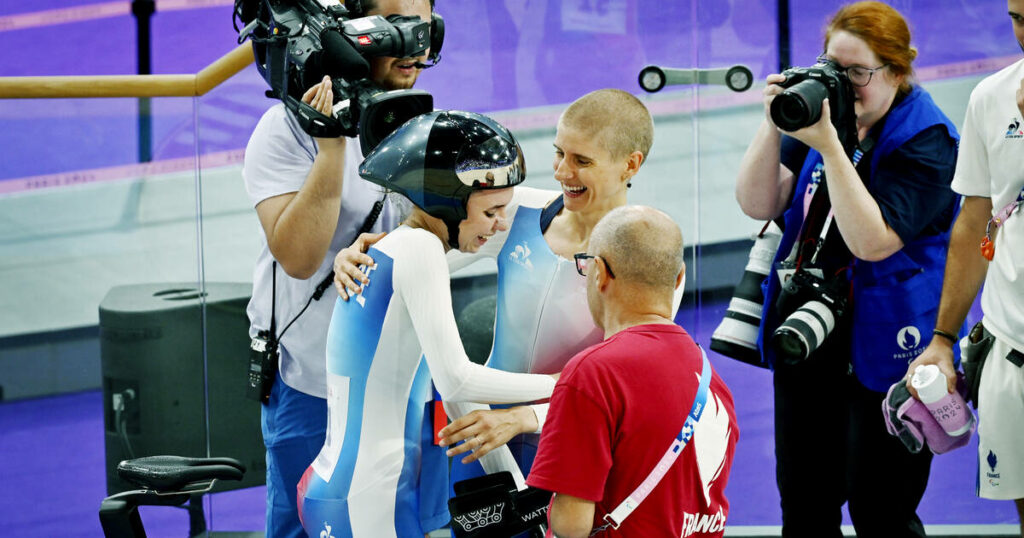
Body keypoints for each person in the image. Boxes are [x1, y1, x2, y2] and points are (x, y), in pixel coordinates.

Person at [333, 89, 678, 495]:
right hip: (483, 437)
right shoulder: (519, 211)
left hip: (570, 440)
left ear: (630, 165)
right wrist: (359, 257)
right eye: (559, 153)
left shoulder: (647, 253)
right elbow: (420, 255)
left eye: (581, 161)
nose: (562, 172)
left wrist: (526, 418)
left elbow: (633, 382)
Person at [733, 2, 959, 536]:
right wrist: (773, 126)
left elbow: (874, 241)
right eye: (834, 67)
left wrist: (833, 147)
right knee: (805, 503)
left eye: (859, 73)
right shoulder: (824, 111)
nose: (845, 84)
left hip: (887, 341)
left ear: (898, 72)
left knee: (880, 508)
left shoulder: (928, 139)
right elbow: (758, 203)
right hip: (811, 329)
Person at [296, 109, 557, 538]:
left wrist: (514, 482)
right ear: (448, 203)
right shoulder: (419, 249)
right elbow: (456, 380)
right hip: (367, 498)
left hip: (350, 486)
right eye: (491, 212)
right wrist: (566, 383)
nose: (501, 225)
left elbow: (448, 388)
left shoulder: (401, 248)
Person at [241, 1, 436, 535]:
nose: (415, 40)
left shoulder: (416, 115)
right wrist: (331, 149)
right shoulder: (283, 131)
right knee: (306, 523)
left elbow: (453, 236)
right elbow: (301, 259)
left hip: (398, 373)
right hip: (309, 380)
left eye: (423, 21)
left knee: (396, 519)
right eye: (396, 22)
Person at [525, 205, 738, 538]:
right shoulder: (713, 382)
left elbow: (571, 526)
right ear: (679, 276)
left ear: (600, 273)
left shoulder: (593, 373)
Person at [904, 1, 1024, 534]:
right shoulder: (992, 97)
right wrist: (943, 339)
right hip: (1011, 355)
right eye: (1018, 18)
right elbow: (975, 221)